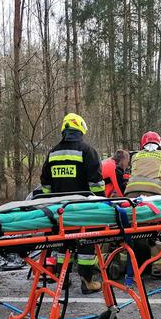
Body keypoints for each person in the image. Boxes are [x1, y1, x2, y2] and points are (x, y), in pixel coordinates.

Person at [40, 113, 105, 293]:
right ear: (81, 129)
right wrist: (100, 203)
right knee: (86, 244)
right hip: (83, 209)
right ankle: (87, 281)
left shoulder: (52, 153)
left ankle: (63, 279)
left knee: (63, 245)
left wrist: (52, 198)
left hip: (60, 209)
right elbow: (96, 184)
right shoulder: (87, 151)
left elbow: (45, 183)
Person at [125, 131, 161, 278]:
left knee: (130, 227)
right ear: (159, 143)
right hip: (154, 195)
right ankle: (159, 269)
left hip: (130, 194)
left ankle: (123, 265)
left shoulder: (135, 156)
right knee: (159, 228)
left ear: (142, 144)